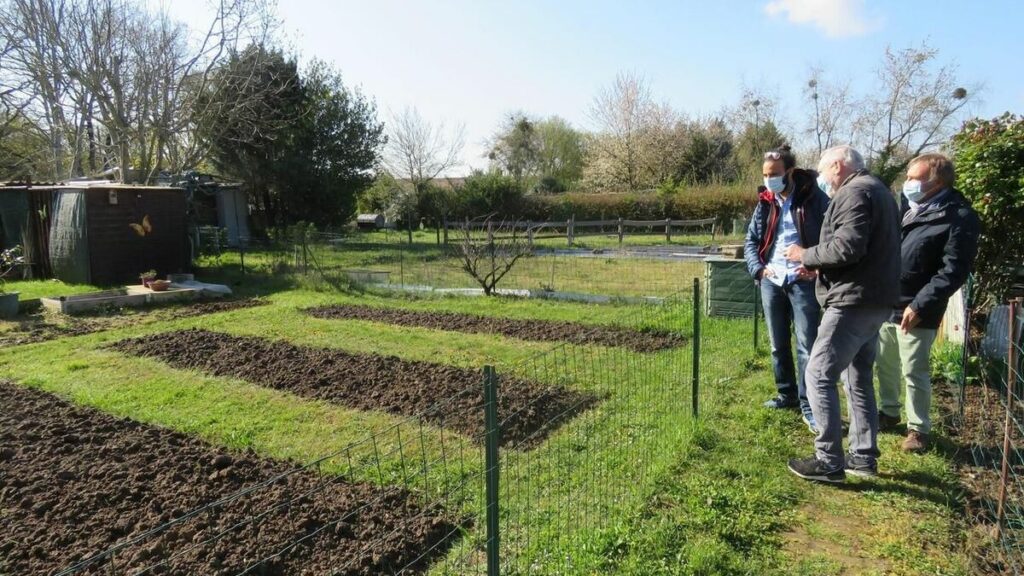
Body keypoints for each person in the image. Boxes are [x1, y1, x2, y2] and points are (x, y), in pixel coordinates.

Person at [783, 145, 901, 482]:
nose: (822, 179)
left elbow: (847, 246)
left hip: (852, 302)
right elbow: (866, 251)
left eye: (823, 171)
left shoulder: (855, 193)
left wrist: (805, 255)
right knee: (857, 376)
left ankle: (828, 461)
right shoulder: (879, 191)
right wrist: (819, 268)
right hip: (874, 298)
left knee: (819, 374)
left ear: (837, 165)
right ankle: (862, 457)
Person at [876, 153, 980, 453]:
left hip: (918, 309)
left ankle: (918, 429)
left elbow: (953, 270)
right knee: (885, 362)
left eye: (913, 178)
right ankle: (889, 411)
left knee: (914, 369)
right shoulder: (909, 208)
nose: (907, 183)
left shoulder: (958, 217)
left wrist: (920, 305)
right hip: (888, 300)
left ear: (936, 182)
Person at [743, 145, 830, 433]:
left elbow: (833, 238)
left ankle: (810, 406)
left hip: (803, 281)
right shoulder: (765, 201)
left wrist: (817, 266)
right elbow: (751, 241)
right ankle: (787, 394)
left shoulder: (814, 198)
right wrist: (758, 269)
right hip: (772, 280)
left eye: (776, 174)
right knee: (777, 345)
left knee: (807, 346)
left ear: (790, 172)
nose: (770, 179)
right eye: (766, 174)